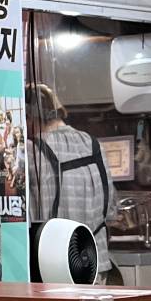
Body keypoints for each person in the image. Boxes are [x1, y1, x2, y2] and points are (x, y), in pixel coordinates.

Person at [27, 83, 118, 277]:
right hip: (95, 266)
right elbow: (111, 211)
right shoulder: (93, 144)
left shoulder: (31, 150)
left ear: (30, 118)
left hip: (54, 267)